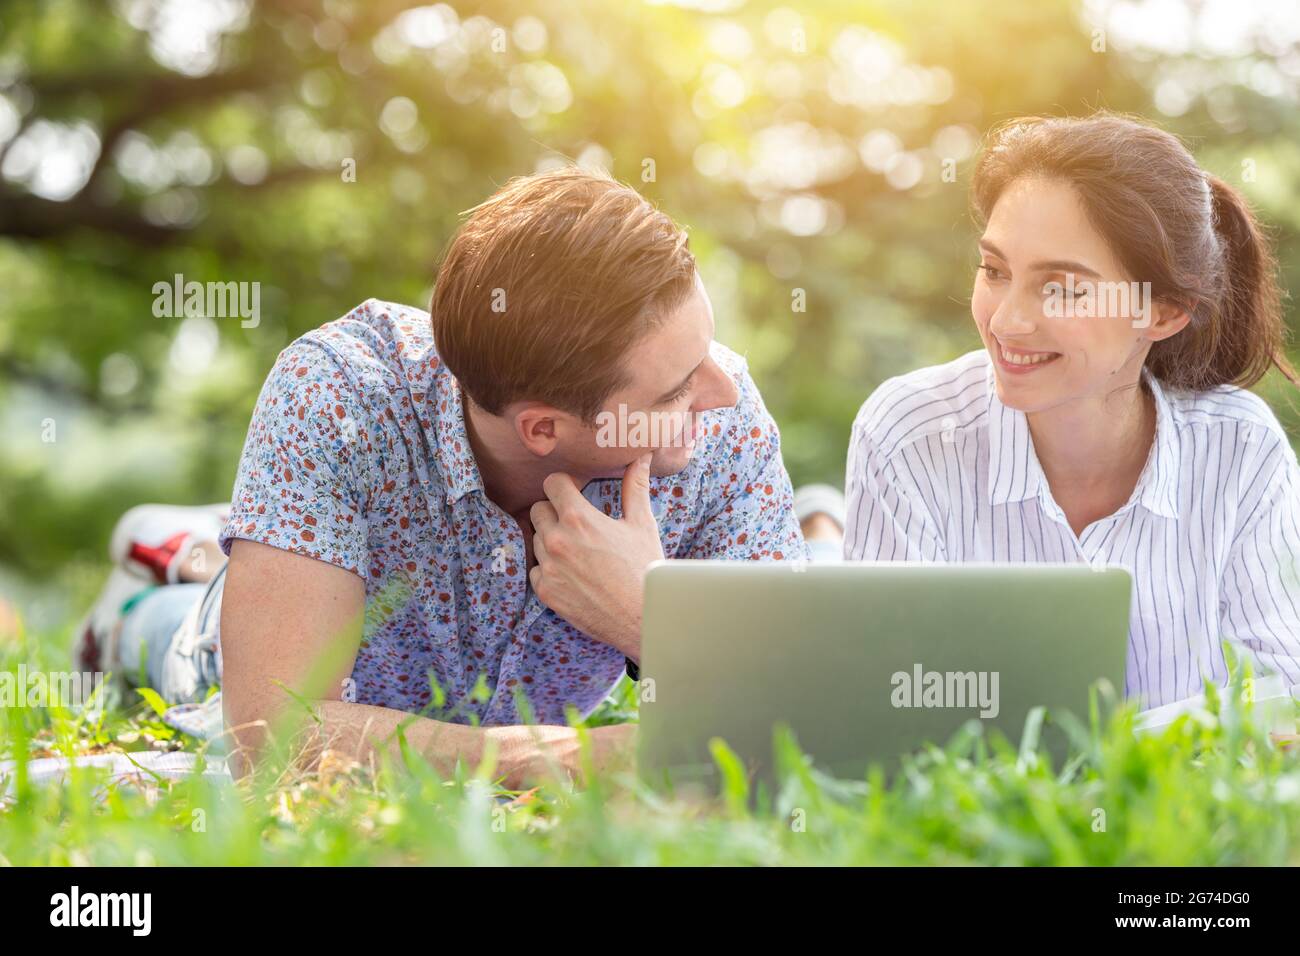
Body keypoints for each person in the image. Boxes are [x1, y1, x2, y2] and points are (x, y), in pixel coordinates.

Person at [76, 165, 811, 784]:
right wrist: (550, 759)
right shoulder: (338, 395)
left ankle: (206, 539)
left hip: (346, 612)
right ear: (543, 428)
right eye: (678, 387)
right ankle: (152, 576)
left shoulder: (723, 425)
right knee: (172, 632)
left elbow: (806, 712)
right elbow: (269, 735)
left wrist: (654, 616)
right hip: (204, 655)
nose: (721, 390)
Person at [845, 113, 1300, 710]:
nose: (1007, 321)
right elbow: (883, 701)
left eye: (1060, 287)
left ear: (1163, 313)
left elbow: (1280, 700)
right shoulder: (909, 435)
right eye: (995, 271)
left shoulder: (1240, 448)